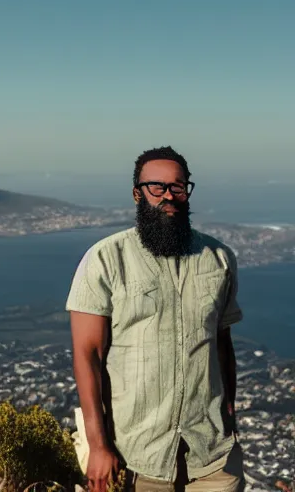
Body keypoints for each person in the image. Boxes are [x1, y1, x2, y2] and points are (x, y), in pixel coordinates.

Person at [66, 147, 246, 492]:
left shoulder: (219, 259)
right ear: (137, 193)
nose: (168, 196)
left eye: (178, 187)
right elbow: (87, 355)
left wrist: (229, 411)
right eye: (156, 187)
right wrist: (99, 445)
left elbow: (222, 342)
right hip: (135, 455)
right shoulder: (105, 259)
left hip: (212, 454)